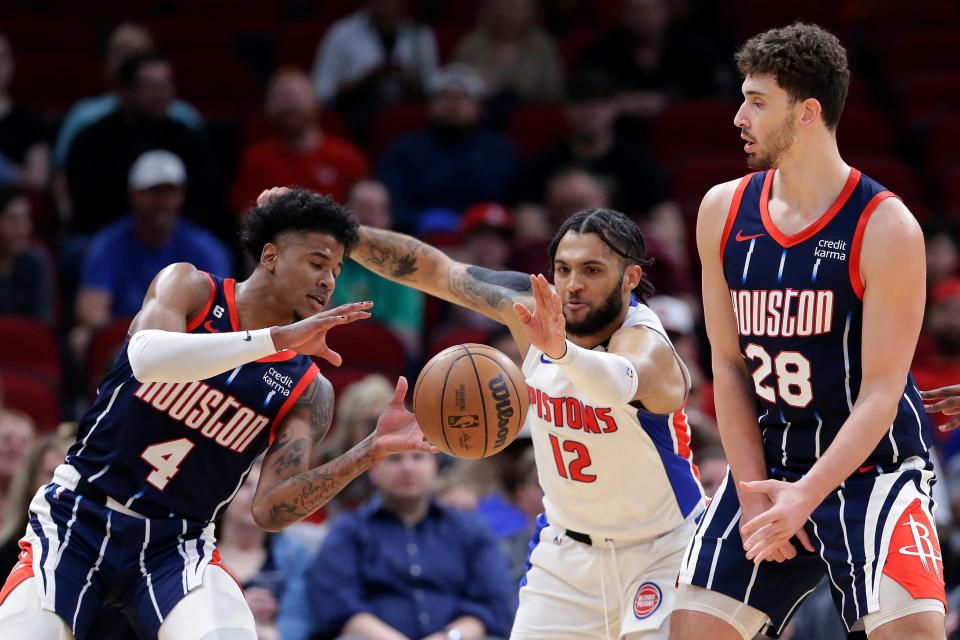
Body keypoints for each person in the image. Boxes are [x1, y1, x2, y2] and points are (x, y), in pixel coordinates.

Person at [0, 188, 436, 639]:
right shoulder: (189, 287)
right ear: (270, 256)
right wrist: (273, 340)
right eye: (316, 263)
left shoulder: (309, 390)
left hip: (176, 544)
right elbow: (148, 358)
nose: (329, 281)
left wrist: (371, 450)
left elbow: (270, 510)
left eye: (336, 270)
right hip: (80, 516)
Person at [672, 23, 945, 640]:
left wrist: (808, 496)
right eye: (742, 98)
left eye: (758, 101)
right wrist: (751, 493)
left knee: (914, 633)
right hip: (769, 461)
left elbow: (881, 391)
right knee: (696, 629)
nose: (740, 117)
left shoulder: (886, 227)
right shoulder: (721, 210)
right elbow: (728, 364)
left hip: (871, 470)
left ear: (808, 112)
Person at [338, 193, 703, 637]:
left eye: (592, 270)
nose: (573, 285)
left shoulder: (647, 345)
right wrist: (338, 231)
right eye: (564, 269)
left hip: (662, 552)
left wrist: (560, 352)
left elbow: (614, 382)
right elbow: (436, 270)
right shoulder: (532, 311)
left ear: (630, 278)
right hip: (565, 554)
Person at [305, 450, 515, 640]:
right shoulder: (349, 531)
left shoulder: (469, 528)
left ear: (434, 464)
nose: (408, 467)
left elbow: (493, 601)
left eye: (418, 457)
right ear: (372, 469)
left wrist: (449, 637)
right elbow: (335, 603)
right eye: (394, 458)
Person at [71, 150, 230, 362]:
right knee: (80, 339)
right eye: (152, 192)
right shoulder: (108, 244)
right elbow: (90, 311)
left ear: (180, 197)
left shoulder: (204, 247)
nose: (161, 202)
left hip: (184, 342)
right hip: (122, 343)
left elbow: (219, 312)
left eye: (169, 192)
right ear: (133, 195)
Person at [65, 52, 215, 234]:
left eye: (165, 84)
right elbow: (86, 206)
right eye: (150, 86)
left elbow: (205, 202)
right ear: (125, 91)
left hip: (176, 235)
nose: (161, 93)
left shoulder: (189, 138)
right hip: (107, 235)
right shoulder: (91, 140)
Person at [377, 63, 517, 232]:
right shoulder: (404, 149)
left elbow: (511, 203)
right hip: (417, 239)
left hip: (484, 237)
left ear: (479, 107)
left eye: (463, 97)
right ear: (430, 105)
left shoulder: (499, 151)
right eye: (444, 96)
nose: (453, 104)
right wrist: (416, 220)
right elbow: (392, 203)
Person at [229, 68, 370, 214]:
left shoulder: (349, 158)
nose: (289, 104)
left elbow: (362, 216)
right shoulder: (256, 158)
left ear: (315, 101)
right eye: (280, 97)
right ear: (267, 106)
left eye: (295, 95)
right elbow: (245, 217)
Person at [311, 0, 438, 138]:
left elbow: (432, 88)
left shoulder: (420, 35)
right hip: (355, 119)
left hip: (407, 122)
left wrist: (405, 77)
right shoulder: (341, 33)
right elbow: (322, 90)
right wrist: (365, 79)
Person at [330, 180, 424, 355]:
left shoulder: (405, 271)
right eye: (361, 207)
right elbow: (312, 327)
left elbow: (408, 341)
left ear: (387, 219)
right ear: (343, 214)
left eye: (377, 209)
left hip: (382, 368)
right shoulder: (322, 259)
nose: (369, 216)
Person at [453, 0, 563, 102]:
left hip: (529, 114)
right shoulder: (471, 44)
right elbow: (453, 82)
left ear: (530, 12)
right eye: (504, 6)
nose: (510, 14)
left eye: (516, 8)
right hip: (479, 113)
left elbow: (554, 91)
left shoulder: (543, 46)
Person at [0, 34, 49, 191]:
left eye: (2, 57)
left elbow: (39, 179)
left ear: (12, 64)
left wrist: (7, 171)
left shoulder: (29, 121)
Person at [0, 188, 55, 324]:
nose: (23, 229)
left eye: (26, 218)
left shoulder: (36, 261)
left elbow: (42, 322)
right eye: (14, 220)